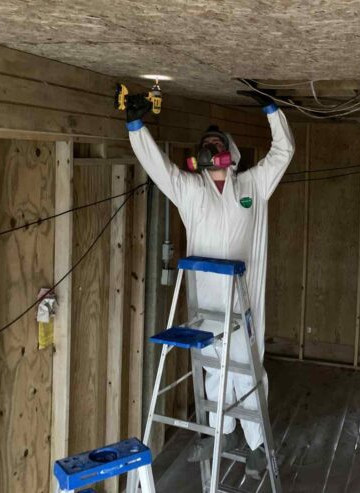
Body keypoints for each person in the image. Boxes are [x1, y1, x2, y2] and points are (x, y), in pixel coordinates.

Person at [126, 89, 295, 478]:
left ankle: (256, 444)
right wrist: (136, 128)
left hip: (245, 298)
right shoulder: (190, 190)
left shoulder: (253, 186)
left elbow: (283, 152)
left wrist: (271, 108)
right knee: (214, 368)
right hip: (206, 301)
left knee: (247, 369)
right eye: (205, 144)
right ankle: (223, 432)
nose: (209, 146)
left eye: (216, 143)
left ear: (230, 154)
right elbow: (159, 168)